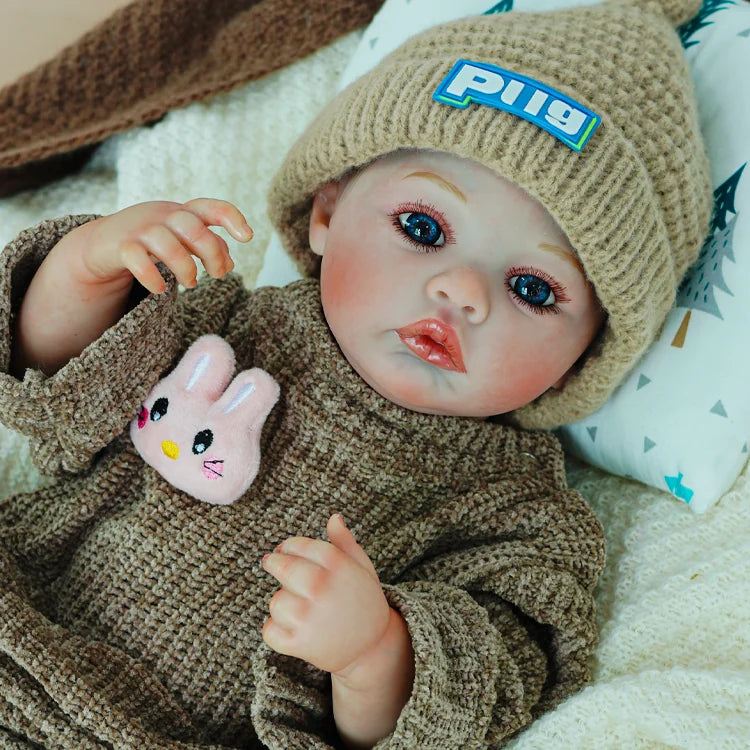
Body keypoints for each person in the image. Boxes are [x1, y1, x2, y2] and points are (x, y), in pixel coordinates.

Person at [0, 0, 711, 747]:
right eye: (424, 228)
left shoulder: (518, 512)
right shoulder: (233, 324)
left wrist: (373, 653)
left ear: (582, 362)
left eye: (533, 289)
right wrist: (87, 267)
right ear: (329, 212)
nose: (462, 291)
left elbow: (479, 690)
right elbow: (56, 382)